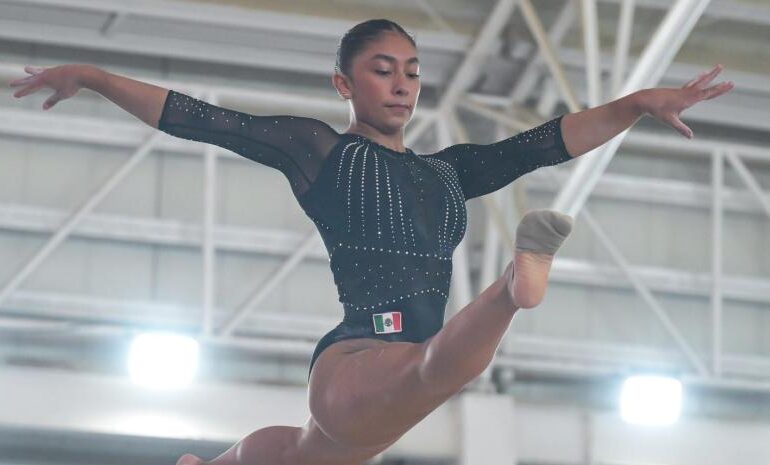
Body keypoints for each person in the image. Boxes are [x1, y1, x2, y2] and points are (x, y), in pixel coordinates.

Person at [8, 18, 733, 465]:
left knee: (305, 451)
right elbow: (206, 119)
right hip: (363, 356)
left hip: (372, 386)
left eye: (412, 73)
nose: (401, 86)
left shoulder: (448, 172)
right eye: (382, 71)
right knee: (429, 372)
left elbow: (545, 143)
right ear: (343, 82)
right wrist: (98, 77)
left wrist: (637, 103)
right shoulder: (322, 150)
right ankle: (515, 289)